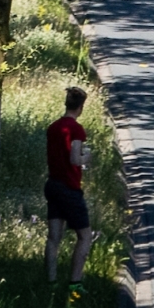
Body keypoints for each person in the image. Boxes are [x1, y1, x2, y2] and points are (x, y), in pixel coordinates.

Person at [45, 87, 96, 286]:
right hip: (69, 187)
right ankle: (75, 282)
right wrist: (87, 157)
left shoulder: (53, 127)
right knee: (84, 236)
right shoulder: (76, 129)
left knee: (53, 237)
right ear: (81, 107)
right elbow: (75, 158)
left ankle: (51, 281)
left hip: (53, 184)